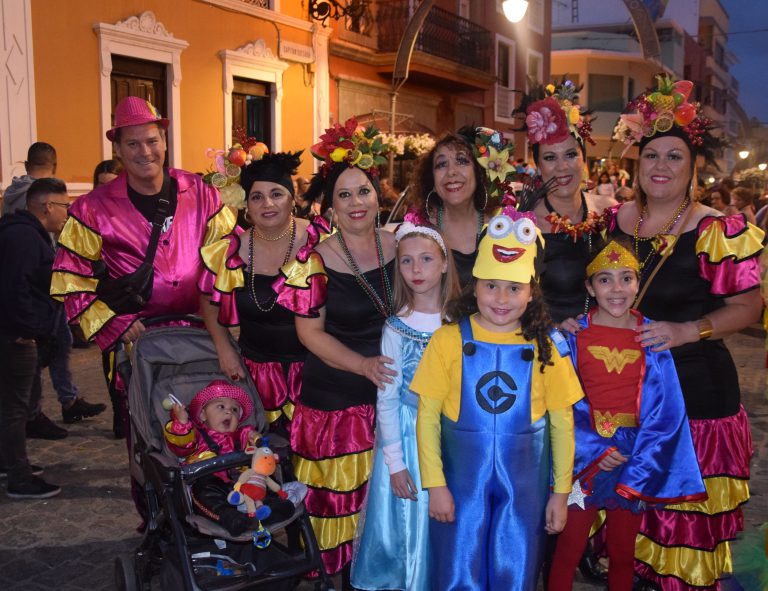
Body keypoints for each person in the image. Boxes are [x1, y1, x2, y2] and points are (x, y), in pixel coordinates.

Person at [610, 74, 764, 590]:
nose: (661, 166)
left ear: (694, 167)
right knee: (633, 526)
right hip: (626, 395)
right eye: (652, 155)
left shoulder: (714, 229)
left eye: (675, 157)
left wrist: (688, 329)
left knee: (684, 531)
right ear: (637, 161)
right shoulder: (612, 221)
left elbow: (747, 306)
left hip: (695, 397)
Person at [412, 207, 584, 590]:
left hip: (525, 487)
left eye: (514, 288)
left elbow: (562, 422)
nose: (501, 298)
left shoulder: (547, 347)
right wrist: (435, 484)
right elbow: (427, 417)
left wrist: (560, 492)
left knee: (516, 569)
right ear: (475, 286)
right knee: (456, 569)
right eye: (491, 286)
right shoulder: (448, 340)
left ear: (531, 292)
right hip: (459, 485)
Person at [548, 239, 706, 591]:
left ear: (638, 283)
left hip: (632, 459)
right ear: (589, 287)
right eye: (605, 280)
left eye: (626, 279)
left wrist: (639, 453)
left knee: (622, 553)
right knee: (568, 548)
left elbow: (666, 409)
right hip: (583, 461)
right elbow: (560, 401)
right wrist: (595, 451)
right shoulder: (573, 336)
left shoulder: (650, 336)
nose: (617, 289)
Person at [277, 117, 396, 584]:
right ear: (330, 205)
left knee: (384, 502)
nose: (355, 203)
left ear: (376, 193)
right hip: (336, 404)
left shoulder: (400, 246)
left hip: (389, 396)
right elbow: (311, 335)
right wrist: (364, 365)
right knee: (338, 507)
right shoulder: (314, 261)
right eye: (343, 195)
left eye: (363, 191)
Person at [350, 215, 459, 591]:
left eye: (426, 259)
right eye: (407, 260)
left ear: (444, 263)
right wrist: (395, 464)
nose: (416, 268)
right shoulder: (396, 327)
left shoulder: (461, 325)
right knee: (411, 524)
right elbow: (388, 400)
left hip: (453, 439)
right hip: (409, 443)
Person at [199, 149, 324, 435]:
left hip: (315, 371)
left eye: (277, 194)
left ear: (292, 199)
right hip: (257, 375)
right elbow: (208, 301)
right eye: (257, 196)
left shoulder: (320, 241)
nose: (267, 203)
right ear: (246, 205)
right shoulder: (229, 252)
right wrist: (224, 349)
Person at [514, 79, 606, 325]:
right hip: (549, 348)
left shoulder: (608, 210)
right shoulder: (524, 224)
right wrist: (553, 328)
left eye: (571, 154)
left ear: (583, 159)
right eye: (550, 157)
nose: (562, 166)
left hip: (603, 347)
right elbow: (507, 300)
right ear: (538, 165)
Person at [0, 178, 70, 498]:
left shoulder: (25, 233)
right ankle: (19, 477)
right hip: (14, 337)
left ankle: (8, 462)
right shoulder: (25, 238)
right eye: (65, 206)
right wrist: (27, 331)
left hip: (14, 333)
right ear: (47, 206)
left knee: (11, 405)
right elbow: (15, 289)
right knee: (16, 408)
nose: (67, 214)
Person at [163, 379, 290, 535]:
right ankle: (229, 517)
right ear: (203, 415)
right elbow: (181, 446)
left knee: (262, 476)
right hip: (211, 482)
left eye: (235, 410)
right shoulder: (196, 435)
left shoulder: (242, 435)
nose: (229, 412)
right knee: (204, 491)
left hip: (243, 483)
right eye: (221, 406)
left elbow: (258, 451)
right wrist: (182, 423)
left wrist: (256, 440)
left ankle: (273, 507)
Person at [409, 128, 495, 287]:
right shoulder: (420, 230)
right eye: (441, 164)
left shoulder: (500, 227)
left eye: (462, 161)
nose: (451, 172)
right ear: (431, 179)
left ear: (479, 172)